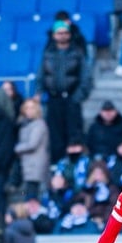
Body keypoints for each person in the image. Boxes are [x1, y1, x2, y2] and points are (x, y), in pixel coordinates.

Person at [36, 19, 90, 163]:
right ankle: (57, 171)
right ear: (54, 35)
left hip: (72, 99)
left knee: (74, 135)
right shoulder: (48, 53)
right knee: (55, 136)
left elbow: (85, 77)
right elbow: (41, 74)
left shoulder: (77, 53)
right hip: (54, 100)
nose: (63, 36)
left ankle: (74, 169)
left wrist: (77, 97)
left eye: (65, 33)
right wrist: (39, 91)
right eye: (59, 33)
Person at [14, 99, 50, 201]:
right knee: (26, 193)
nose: (29, 111)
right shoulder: (24, 124)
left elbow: (32, 144)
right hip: (26, 165)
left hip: (35, 165)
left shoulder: (39, 124)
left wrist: (16, 148)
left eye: (32, 108)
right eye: (27, 108)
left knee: (31, 194)